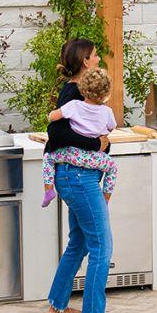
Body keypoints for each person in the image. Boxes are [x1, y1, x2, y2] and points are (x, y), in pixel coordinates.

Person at [44, 39, 127, 313]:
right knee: (102, 245)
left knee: (79, 242)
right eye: (95, 55)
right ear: (85, 61)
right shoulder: (74, 92)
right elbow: (56, 133)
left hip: (77, 176)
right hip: (79, 177)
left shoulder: (84, 94)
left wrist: (101, 144)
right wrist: (97, 143)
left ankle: (57, 304)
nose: (99, 57)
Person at [42, 68, 118, 208]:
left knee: (49, 157)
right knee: (112, 167)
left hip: (72, 154)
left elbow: (54, 117)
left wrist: (50, 114)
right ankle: (105, 199)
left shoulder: (74, 106)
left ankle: (48, 190)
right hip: (95, 158)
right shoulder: (107, 112)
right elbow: (111, 127)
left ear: (82, 88)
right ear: (106, 93)